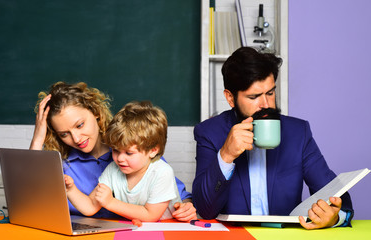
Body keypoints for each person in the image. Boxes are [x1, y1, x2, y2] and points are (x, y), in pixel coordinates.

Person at [192, 47, 353, 230]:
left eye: (270, 93)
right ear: (230, 98)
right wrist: (226, 155)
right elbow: (204, 209)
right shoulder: (209, 133)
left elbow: (336, 195)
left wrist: (334, 217)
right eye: (254, 97)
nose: (266, 104)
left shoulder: (298, 132)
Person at [30, 82, 196, 221]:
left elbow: (177, 194)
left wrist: (186, 205)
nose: (76, 138)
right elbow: (31, 203)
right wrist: (38, 138)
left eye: (80, 125)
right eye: (64, 134)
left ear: (95, 112)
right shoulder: (65, 164)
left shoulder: (135, 147)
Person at [65, 101, 186, 221]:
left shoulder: (162, 172)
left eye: (129, 153)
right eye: (116, 150)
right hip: (139, 229)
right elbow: (90, 207)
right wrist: (70, 190)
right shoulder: (113, 169)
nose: (120, 158)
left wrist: (110, 203)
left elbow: (150, 215)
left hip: (167, 228)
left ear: (153, 150)